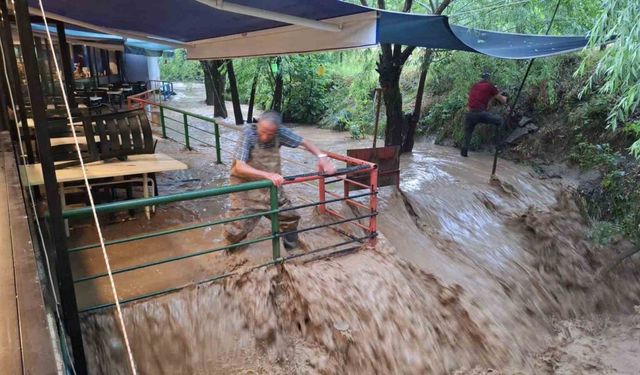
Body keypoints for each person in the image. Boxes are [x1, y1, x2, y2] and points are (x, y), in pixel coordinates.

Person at [223, 110, 336, 250]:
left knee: (290, 217)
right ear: (258, 124)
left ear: (276, 131)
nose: (264, 136)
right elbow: (239, 167)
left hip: (271, 188)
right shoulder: (248, 133)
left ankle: (291, 252)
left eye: (269, 134)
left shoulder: (280, 133)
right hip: (245, 189)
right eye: (262, 131)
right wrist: (268, 175)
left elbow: (304, 141)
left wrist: (321, 157)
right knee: (236, 229)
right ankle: (228, 253)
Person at [461, 71, 508, 157]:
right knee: (500, 121)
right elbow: (503, 100)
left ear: (481, 78)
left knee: (467, 135)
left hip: (470, 114)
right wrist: (505, 98)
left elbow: (478, 97)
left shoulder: (474, 86)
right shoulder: (490, 86)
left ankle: (464, 154)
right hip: (480, 114)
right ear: (489, 78)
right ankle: (499, 146)